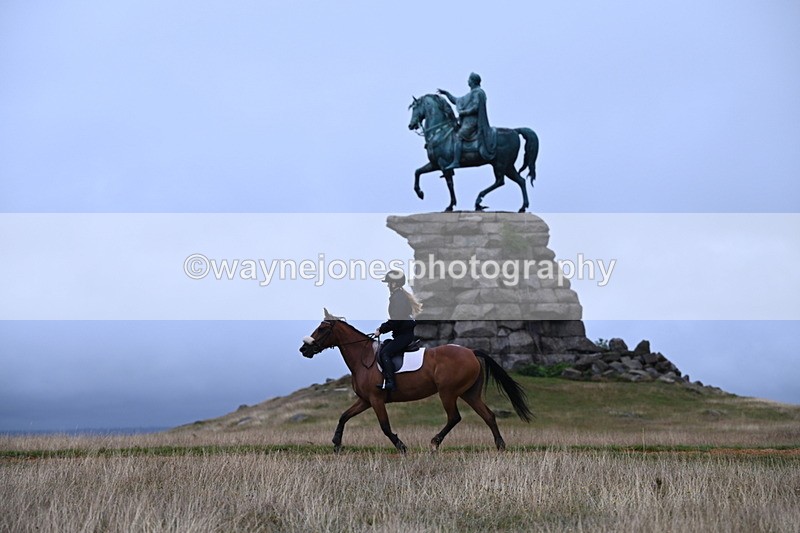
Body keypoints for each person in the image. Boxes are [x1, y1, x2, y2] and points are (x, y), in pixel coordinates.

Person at [374, 269, 422, 391]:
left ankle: (391, 383)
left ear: (394, 283)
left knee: (385, 353)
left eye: (389, 283)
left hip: (404, 336)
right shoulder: (398, 296)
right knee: (385, 347)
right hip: (402, 334)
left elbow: (396, 320)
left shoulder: (398, 298)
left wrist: (381, 329)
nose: (388, 285)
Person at [437, 72, 497, 170]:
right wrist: (446, 93)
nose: (467, 81)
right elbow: (456, 100)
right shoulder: (471, 94)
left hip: (472, 122)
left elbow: (475, 107)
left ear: (473, 81)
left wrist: (464, 112)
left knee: (458, 136)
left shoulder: (478, 92)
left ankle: (456, 161)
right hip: (466, 122)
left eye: (469, 79)